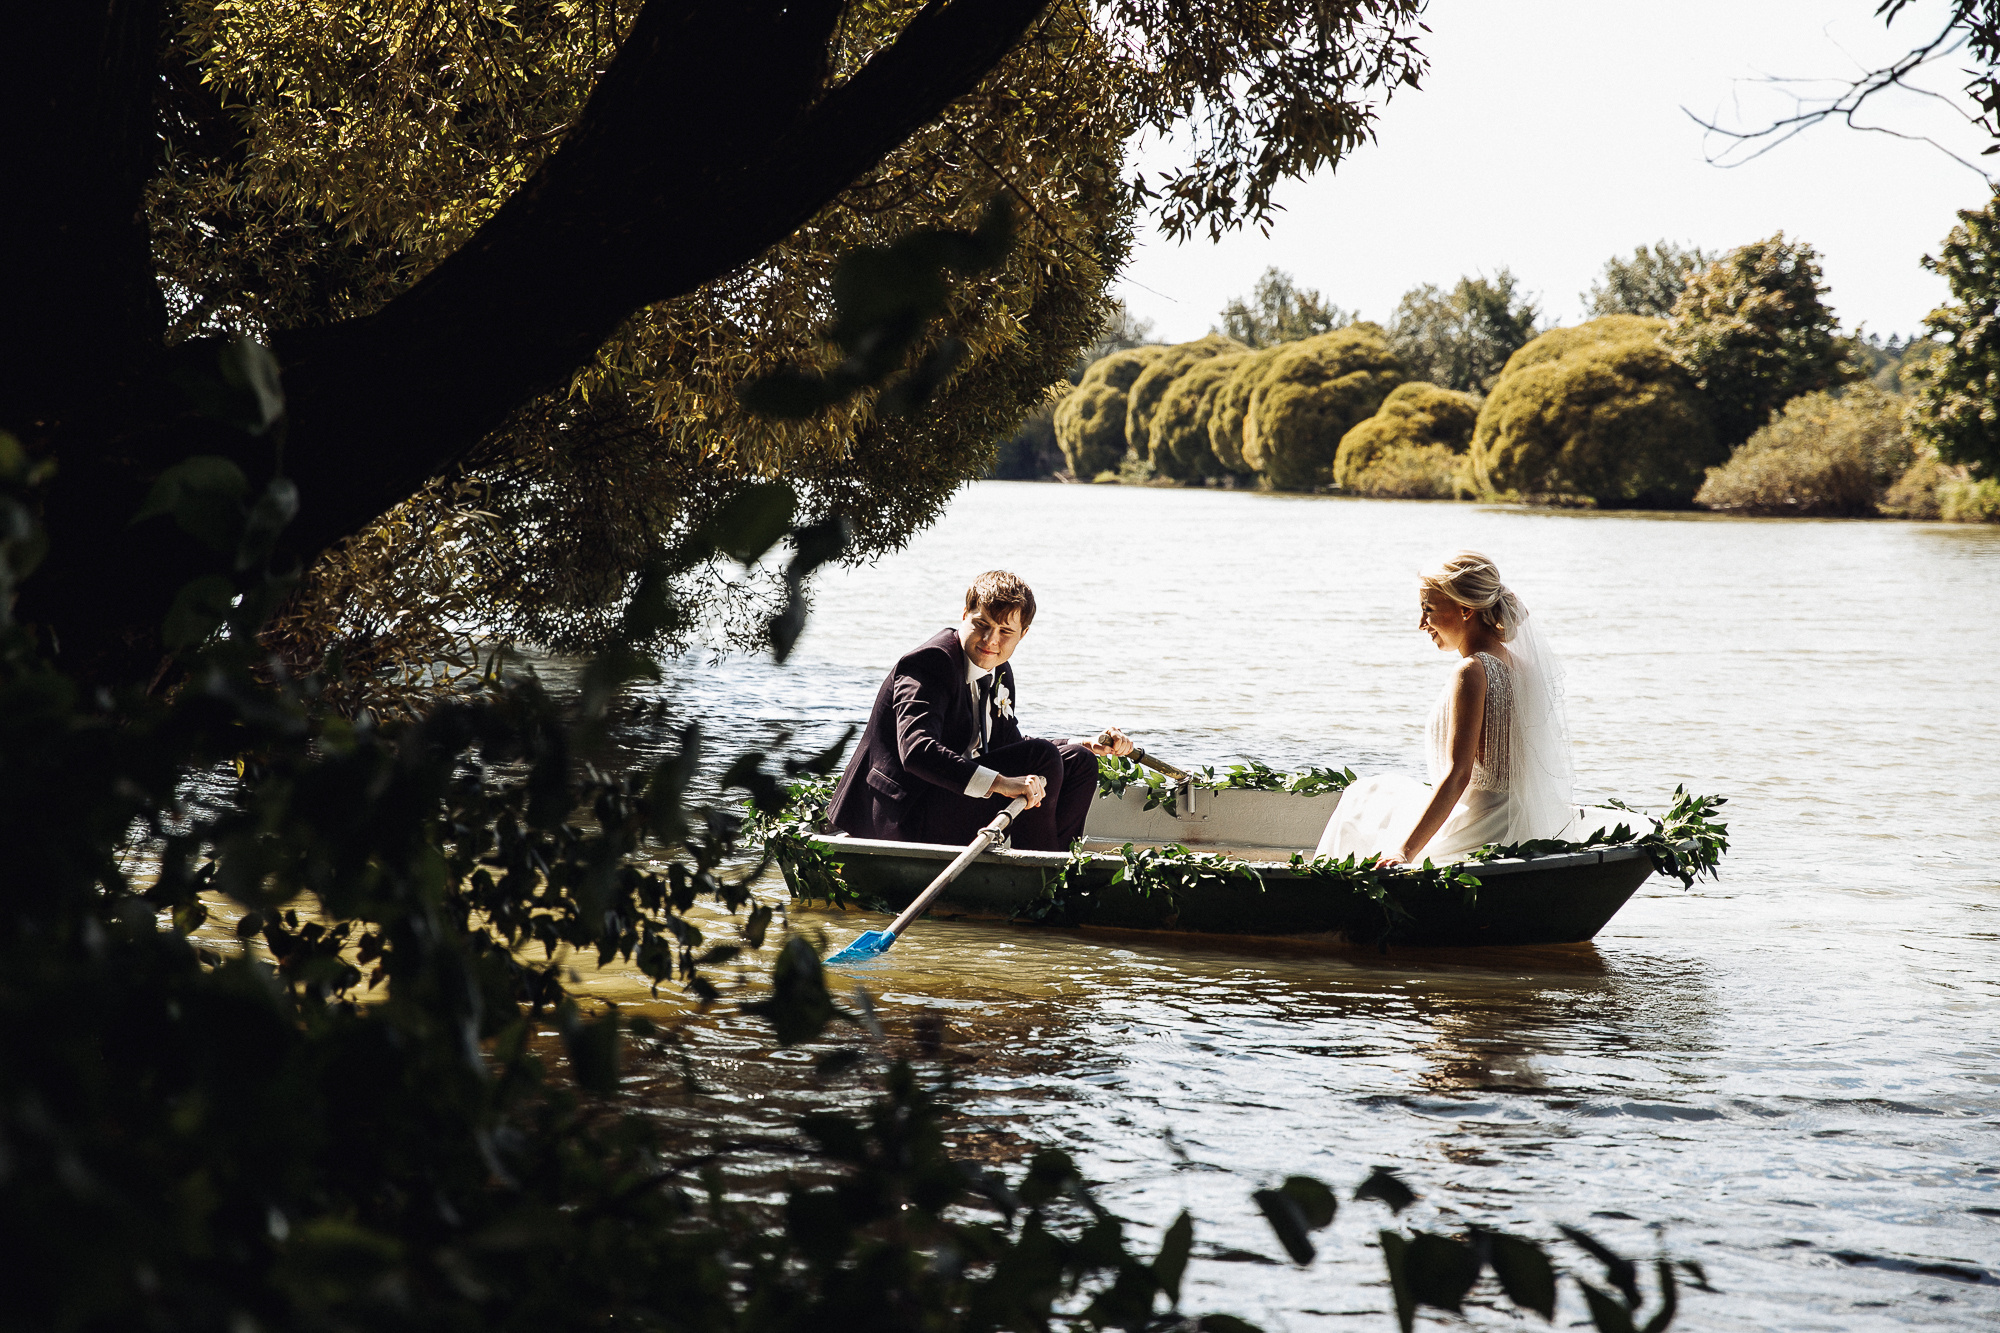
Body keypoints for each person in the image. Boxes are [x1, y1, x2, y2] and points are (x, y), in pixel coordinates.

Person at [827, 571, 1135, 852]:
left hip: (943, 804)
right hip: (900, 816)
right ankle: (1039, 876)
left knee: (1077, 761)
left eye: (1005, 631)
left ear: (1023, 634)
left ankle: (1055, 863)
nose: (990, 641)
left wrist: (1083, 743)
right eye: (982, 624)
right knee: (1041, 757)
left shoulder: (1000, 670)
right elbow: (917, 751)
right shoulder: (931, 662)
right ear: (964, 615)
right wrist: (1002, 783)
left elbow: (1010, 745)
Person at [1316, 550, 1575, 865]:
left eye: (1429, 609)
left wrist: (1404, 851)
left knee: (1361, 799)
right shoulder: (1522, 668)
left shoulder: (1472, 670)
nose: (1422, 624)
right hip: (1517, 820)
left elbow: (1458, 775)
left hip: (1481, 825)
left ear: (1465, 610)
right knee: (1380, 792)